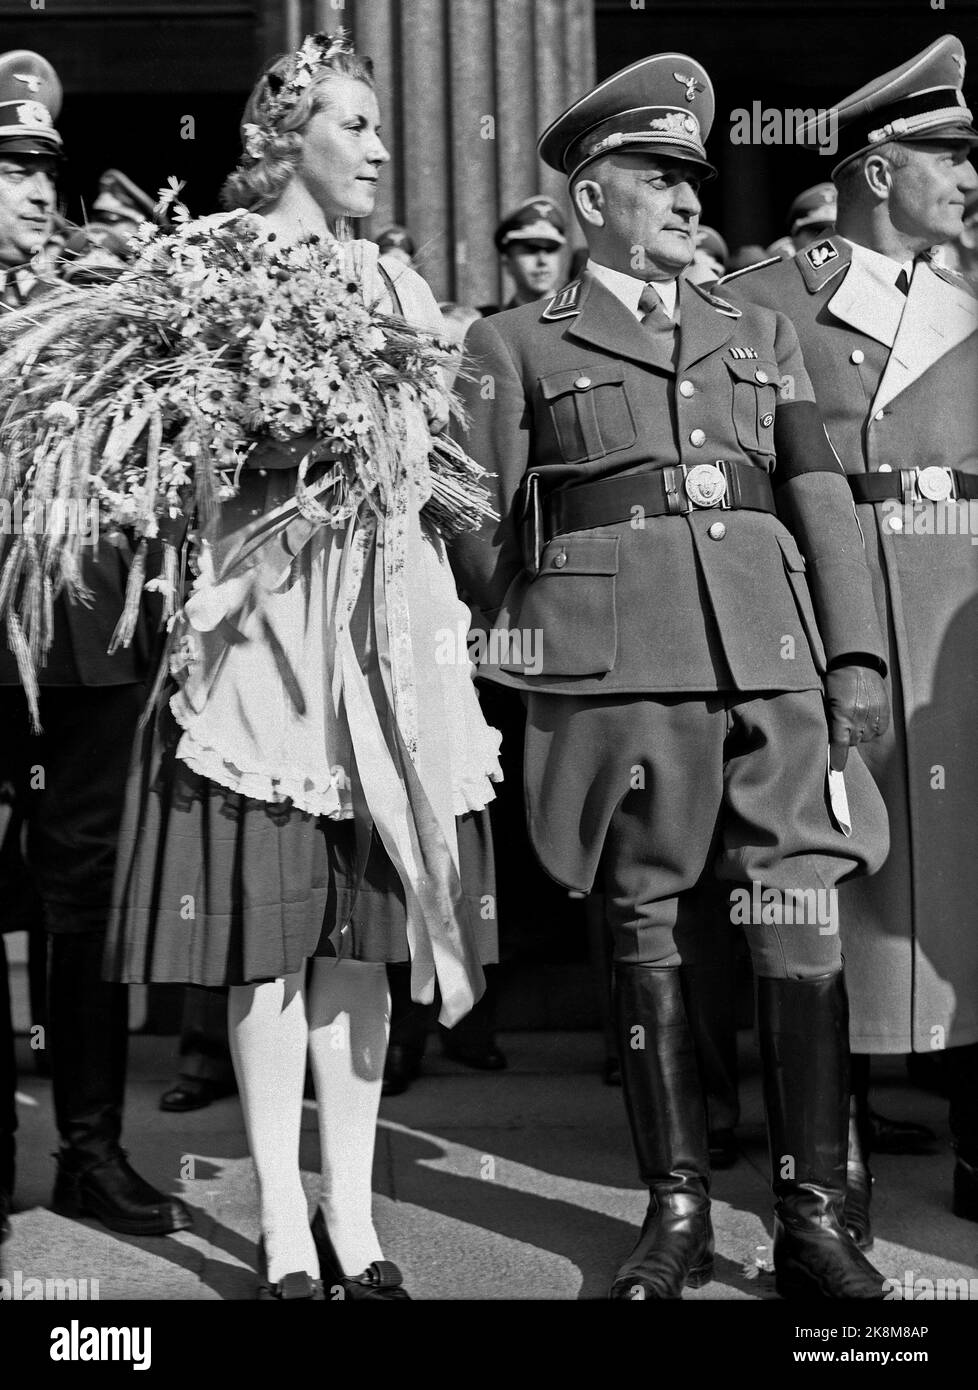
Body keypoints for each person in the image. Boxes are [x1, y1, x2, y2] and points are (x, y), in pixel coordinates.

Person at [452, 52, 895, 1301]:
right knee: (644, 914)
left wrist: (853, 649)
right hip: (623, 668)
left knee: (798, 909)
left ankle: (812, 1217)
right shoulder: (512, 341)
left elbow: (819, 494)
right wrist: (540, 633)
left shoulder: (761, 332)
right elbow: (471, 521)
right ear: (592, 198)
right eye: (660, 177)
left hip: (773, 655)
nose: (693, 198)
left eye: (697, 177)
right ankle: (679, 1208)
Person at [104, 32, 500, 1300]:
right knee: (274, 940)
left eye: (385, 127)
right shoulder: (216, 265)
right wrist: (263, 440)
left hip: (385, 612)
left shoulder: (394, 285)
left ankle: (358, 1217)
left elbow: (434, 457)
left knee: (361, 941)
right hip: (268, 623)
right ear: (286, 141)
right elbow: (168, 449)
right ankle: (280, 1217)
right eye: (356, 126)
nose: (381, 149)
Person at [720, 33, 978, 1246]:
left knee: (961, 882)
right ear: (879, 167)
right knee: (834, 873)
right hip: (841, 611)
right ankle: (831, 1169)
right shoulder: (774, 296)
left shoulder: (968, 301)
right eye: (948, 152)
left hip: (954, 630)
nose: (970, 175)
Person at [0, 49, 191, 1241]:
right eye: (5, 166)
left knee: (88, 906)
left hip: (86, 636)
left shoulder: (98, 293)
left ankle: (88, 1150)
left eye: (37, 168)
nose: (29, 187)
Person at [480, 195, 567, 315]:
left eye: (550, 250)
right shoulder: (493, 323)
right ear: (507, 263)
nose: (542, 261)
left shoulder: (582, 319)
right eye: (531, 250)